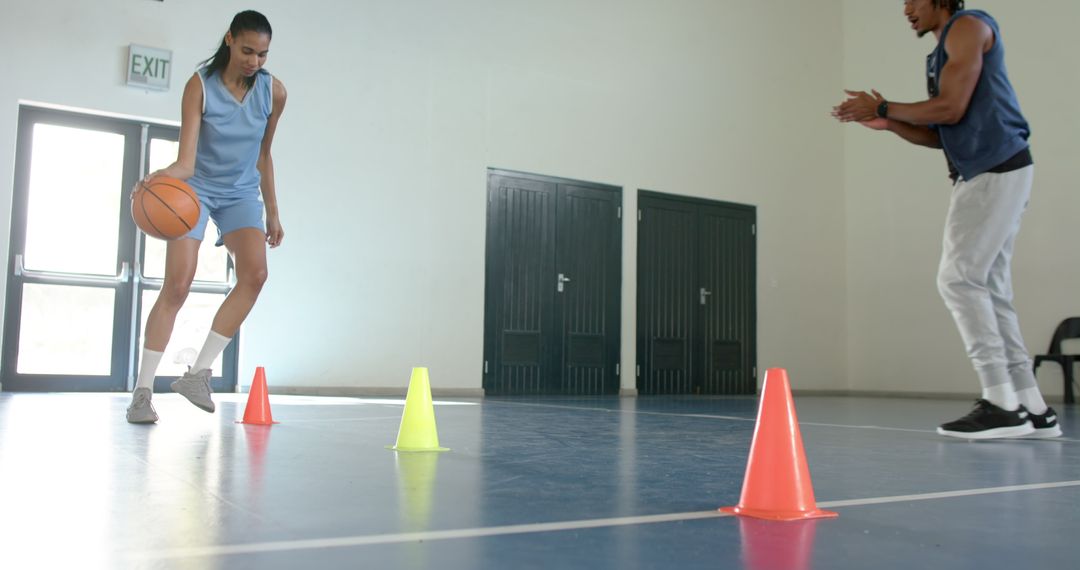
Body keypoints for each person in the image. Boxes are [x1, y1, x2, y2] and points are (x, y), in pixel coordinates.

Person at [831, 0, 1060, 439]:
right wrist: (889, 122)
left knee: (958, 279)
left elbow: (950, 109)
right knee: (989, 287)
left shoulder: (968, 26)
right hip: (991, 169)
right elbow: (941, 134)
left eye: (912, 0)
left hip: (994, 168)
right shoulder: (941, 54)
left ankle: (1000, 402)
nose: (905, 10)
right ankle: (1031, 405)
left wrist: (883, 108)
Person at [126, 10, 287, 423]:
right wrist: (152, 181)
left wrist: (272, 210)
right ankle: (142, 393)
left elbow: (264, 155)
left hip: (240, 193)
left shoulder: (275, 93)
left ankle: (198, 374)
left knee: (255, 275)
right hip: (194, 190)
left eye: (263, 55)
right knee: (177, 286)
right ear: (230, 39)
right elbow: (186, 160)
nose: (254, 61)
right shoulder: (199, 85)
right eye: (248, 50)